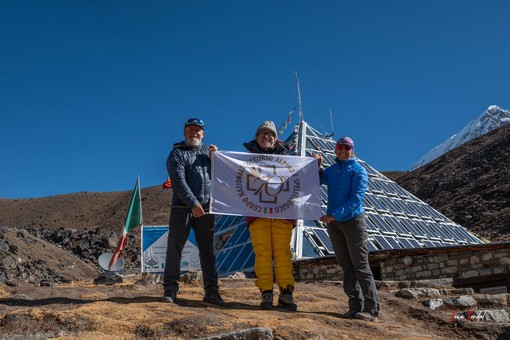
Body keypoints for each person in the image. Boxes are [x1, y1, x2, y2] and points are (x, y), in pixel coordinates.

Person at [313, 137, 380, 321]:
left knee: (360, 264)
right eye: (339, 147)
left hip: (353, 221)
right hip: (334, 223)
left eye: (346, 147)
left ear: (352, 150)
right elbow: (317, 180)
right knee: (345, 265)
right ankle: (354, 306)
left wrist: (335, 215)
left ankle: (371, 308)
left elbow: (356, 200)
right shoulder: (332, 170)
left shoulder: (359, 171)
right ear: (335, 150)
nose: (342, 150)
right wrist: (318, 165)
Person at [162, 117, 227, 307]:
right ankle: (170, 290)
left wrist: (218, 159)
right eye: (190, 130)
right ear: (184, 133)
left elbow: (225, 178)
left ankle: (212, 292)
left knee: (208, 251)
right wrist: (192, 203)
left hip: (207, 209)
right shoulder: (177, 154)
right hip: (182, 207)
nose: (194, 133)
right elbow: (178, 181)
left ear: (203, 134)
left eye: (197, 130)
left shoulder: (209, 155)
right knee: (175, 248)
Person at [243, 120, 298, 311]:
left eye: (270, 134)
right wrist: (216, 158)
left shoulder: (290, 159)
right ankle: (266, 292)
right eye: (262, 134)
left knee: (282, 254)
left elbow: (304, 177)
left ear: (276, 138)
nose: (266, 137)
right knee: (262, 254)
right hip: (257, 215)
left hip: (283, 214)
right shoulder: (244, 159)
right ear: (256, 137)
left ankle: (286, 293)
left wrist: (315, 165)